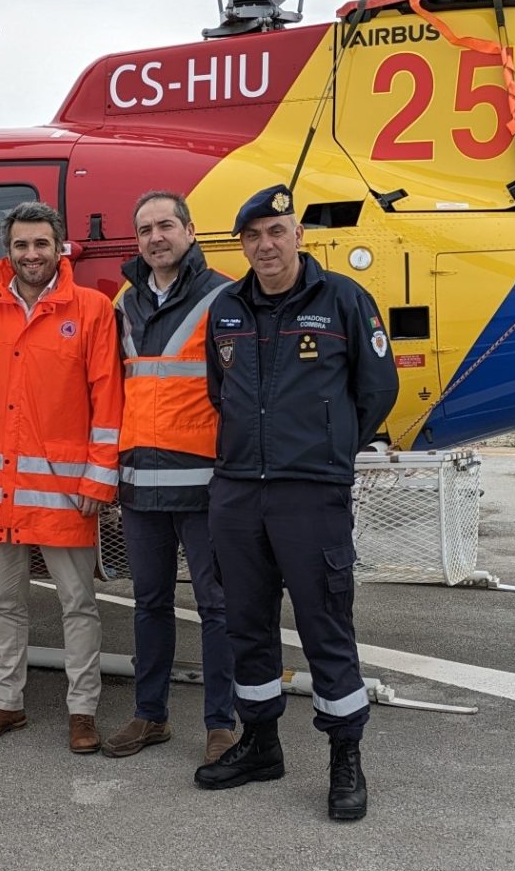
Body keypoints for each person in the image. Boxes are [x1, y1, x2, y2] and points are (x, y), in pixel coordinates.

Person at [193, 184, 397, 821]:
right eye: (252, 235)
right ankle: (260, 744)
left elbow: (378, 389)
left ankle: (345, 757)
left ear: (298, 234)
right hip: (237, 493)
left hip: (311, 495)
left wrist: (328, 448)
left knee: (325, 627)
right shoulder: (227, 308)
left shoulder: (343, 300)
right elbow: (219, 390)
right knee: (244, 624)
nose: (264, 245)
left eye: (275, 230)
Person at [0, 201, 123, 753]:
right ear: (8, 250)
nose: (31, 255)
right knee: (3, 602)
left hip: (68, 493)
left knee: (78, 602)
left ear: (59, 247)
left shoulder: (92, 310)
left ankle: (83, 709)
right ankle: (6, 703)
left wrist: (98, 480)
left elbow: (107, 401)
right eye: (21, 245)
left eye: (41, 244)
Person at [102, 191, 238, 764]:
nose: (155, 237)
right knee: (149, 604)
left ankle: (220, 723)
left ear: (188, 229)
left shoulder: (225, 295)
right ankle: (150, 715)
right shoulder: (125, 303)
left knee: (217, 607)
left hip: (206, 484)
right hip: (140, 486)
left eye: (165, 226)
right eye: (144, 230)